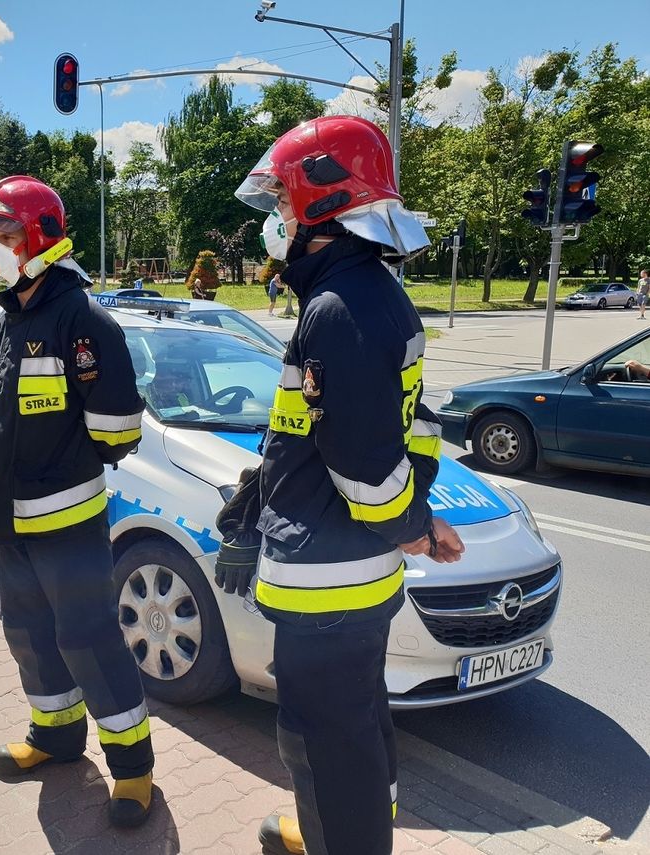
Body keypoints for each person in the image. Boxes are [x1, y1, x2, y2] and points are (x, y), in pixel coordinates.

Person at [223, 116, 465, 855]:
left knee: (322, 742)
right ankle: (335, 828)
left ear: (323, 205)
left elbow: (361, 465)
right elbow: (405, 431)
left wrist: (413, 525)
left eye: (283, 207)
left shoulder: (337, 310)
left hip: (328, 585)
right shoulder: (373, 298)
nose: (277, 224)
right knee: (358, 730)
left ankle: (339, 836)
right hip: (353, 580)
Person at [0, 175, 156, 828]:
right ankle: (57, 735)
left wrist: (57, 460)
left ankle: (133, 769)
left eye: (5, 237)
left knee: (89, 640)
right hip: (13, 526)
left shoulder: (83, 319)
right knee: (30, 636)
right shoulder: (4, 324)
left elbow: (119, 428)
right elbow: (4, 412)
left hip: (70, 526)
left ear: (40, 236)